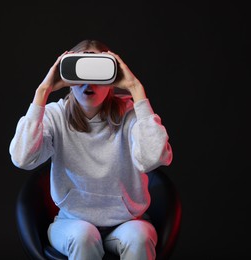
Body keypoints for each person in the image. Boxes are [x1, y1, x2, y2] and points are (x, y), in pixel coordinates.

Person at [9, 39, 173, 260]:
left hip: (127, 222)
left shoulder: (131, 114)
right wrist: (43, 91)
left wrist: (136, 89)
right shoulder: (55, 116)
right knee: (84, 236)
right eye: (80, 73)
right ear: (67, 77)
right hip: (73, 222)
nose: (88, 83)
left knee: (140, 238)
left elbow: (152, 159)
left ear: (112, 78)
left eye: (97, 72)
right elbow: (22, 158)